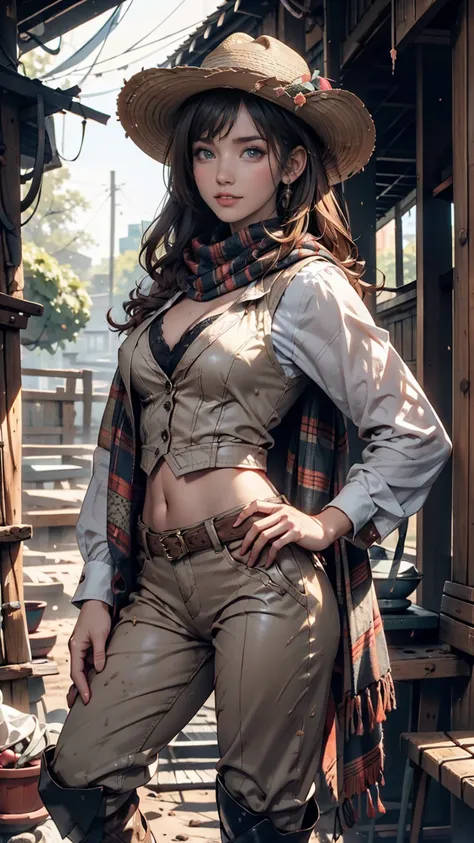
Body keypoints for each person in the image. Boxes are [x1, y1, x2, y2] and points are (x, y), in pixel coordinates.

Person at [38, 32, 452, 843]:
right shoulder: (168, 294)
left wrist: (326, 521)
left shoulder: (305, 285)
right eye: (206, 151)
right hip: (155, 585)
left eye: (249, 150)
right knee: (79, 782)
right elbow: (115, 455)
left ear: (291, 164)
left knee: (258, 820)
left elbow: (412, 431)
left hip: (259, 576)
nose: (223, 173)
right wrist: (95, 590)